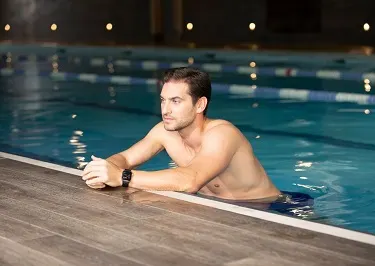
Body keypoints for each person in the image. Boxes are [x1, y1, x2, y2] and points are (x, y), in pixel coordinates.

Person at [81, 67, 282, 201]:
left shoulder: (222, 134)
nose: (165, 109)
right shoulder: (165, 131)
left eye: (175, 101)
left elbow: (190, 181)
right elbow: (126, 157)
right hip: (224, 211)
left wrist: (122, 177)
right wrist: (104, 171)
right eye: (163, 100)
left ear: (200, 104)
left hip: (272, 210)